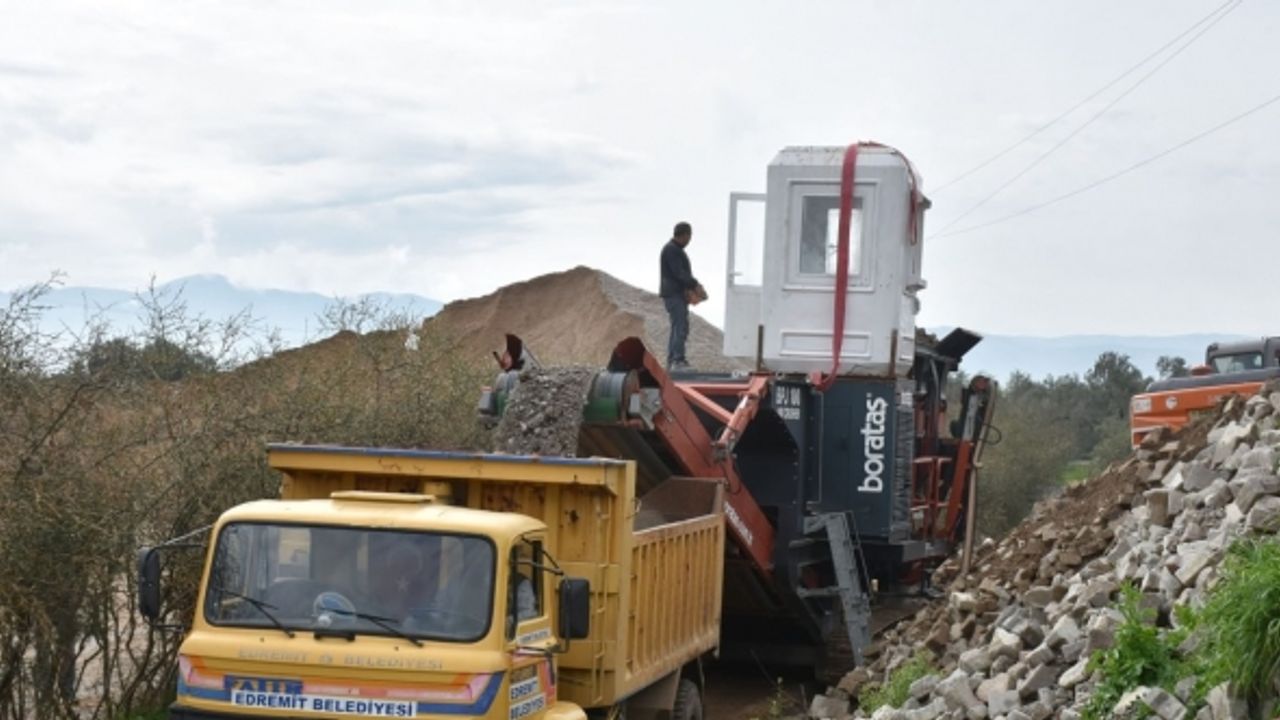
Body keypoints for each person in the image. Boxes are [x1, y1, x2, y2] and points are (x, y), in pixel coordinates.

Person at [660, 221, 705, 371]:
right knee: (680, 326)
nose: (690, 240)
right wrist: (695, 285)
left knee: (678, 326)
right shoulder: (672, 250)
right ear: (685, 235)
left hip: (674, 295)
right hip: (674, 295)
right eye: (689, 236)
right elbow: (679, 273)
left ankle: (674, 359)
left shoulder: (673, 249)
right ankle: (677, 361)